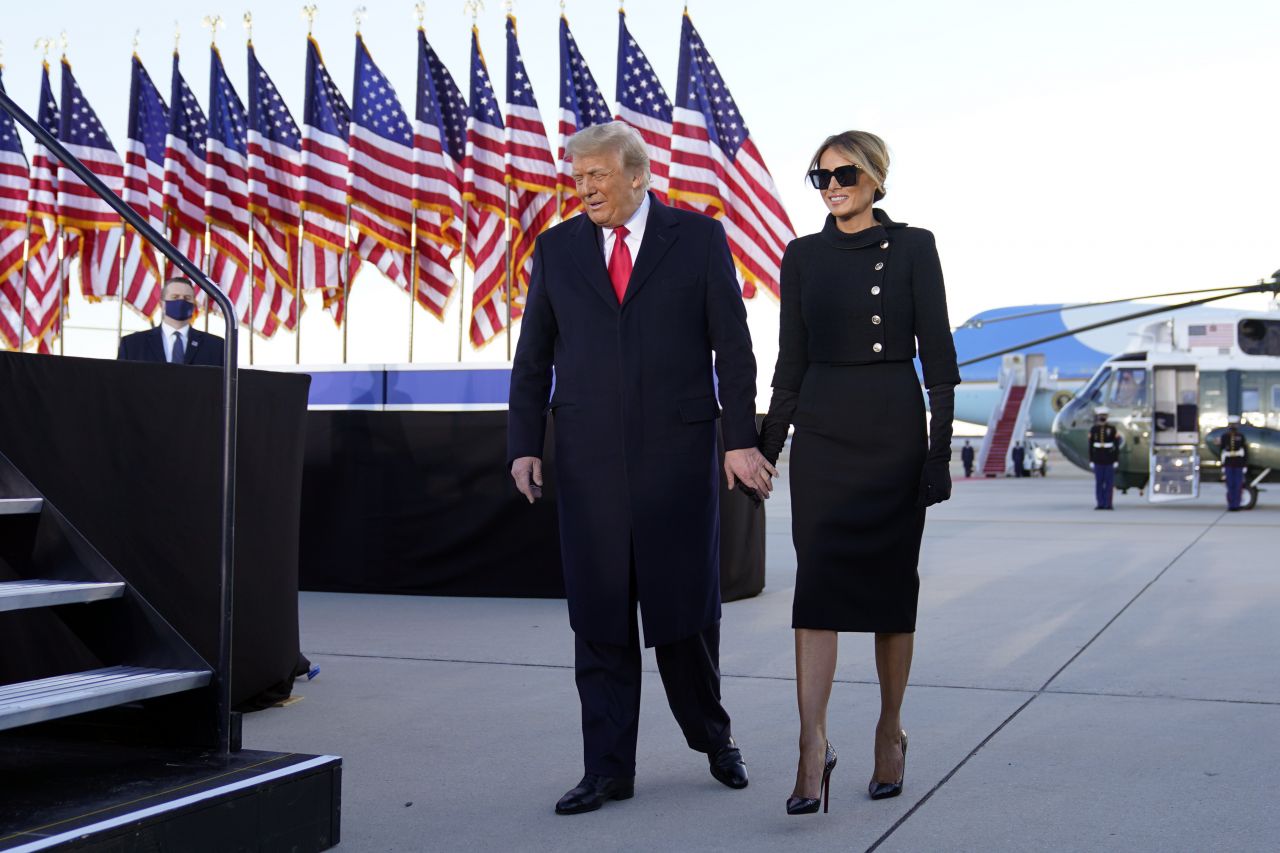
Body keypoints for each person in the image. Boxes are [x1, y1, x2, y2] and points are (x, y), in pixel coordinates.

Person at [507, 122, 772, 816]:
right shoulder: (556, 249)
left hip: (678, 460)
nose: (584, 187)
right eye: (578, 177)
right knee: (599, 620)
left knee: (684, 616)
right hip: (590, 463)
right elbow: (533, 356)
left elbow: (734, 350)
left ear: (637, 174)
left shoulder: (698, 239)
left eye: (596, 174)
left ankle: (715, 739)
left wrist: (739, 440)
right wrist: (524, 443)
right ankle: (606, 769)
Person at [758, 130, 959, 815]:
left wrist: (938, 453)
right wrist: (766, 444)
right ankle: (811, 745)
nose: (832, 184)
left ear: (876, 177)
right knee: (815, 591)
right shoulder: (802, 255)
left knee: (888, 593)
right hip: (822, 431)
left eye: (845, 172)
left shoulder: (913, 247)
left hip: (892, 429)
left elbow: (937, 353)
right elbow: (790, 360)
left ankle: (889, 729)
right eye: (821, 175)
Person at [117, 277, 226, 366]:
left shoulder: (216, 346)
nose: (181, 301)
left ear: (194, 305)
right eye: (175, 297)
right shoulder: (132, 345)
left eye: (187, 298)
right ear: (162, 304)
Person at [1088, 407, 1119, 509]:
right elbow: (1090, 446)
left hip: (1109, 458)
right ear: (1098, 417)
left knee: (1109, 483)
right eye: (1101, 416)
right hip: (1098, 458)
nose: (1102, 418)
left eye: (1104, 416)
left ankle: (1108, 504)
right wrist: (1091, 460)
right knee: (1099, 483)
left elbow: (1116, 446)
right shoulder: (1093, 429)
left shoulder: (1112, 429)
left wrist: (1116, 460)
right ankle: (1100, 504)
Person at [1219, 415, 1248, 511]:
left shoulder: (1241, 436)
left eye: (1234, 424)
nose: (1233, 427)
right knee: (1230, 485)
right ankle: (1231, 505)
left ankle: (1237, 505)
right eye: (1231, 424)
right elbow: (1222, 451)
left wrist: (1244, 465)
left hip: (1238, 463)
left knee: (1238, 485)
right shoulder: (1224, 436)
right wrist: (1222, 465)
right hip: (1228, 463)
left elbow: (1245, 451)